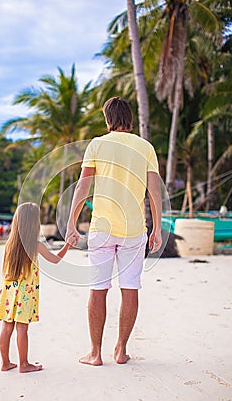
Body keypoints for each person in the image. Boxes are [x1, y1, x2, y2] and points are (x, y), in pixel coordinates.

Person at [66, 97, 162, 366]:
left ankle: (95, 353)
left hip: (102, 229)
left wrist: (72, 223)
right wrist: (157, 229)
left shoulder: (97, 144)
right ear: (129, 119)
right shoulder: (145, 147)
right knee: (130, 288)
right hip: (134, 230)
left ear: (108, 119)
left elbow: (82, 187)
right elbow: (154, 192)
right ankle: (120, 350)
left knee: (98, 289)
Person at [0, 202, 73, 373]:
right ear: (34, 224)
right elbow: (55, 259)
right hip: (26, 294)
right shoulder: (35, 245)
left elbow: (6, 272)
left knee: (6, 327)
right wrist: (67, 245)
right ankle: (23, 364)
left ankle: (5, 363)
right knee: (22, 328)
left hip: (9, 292)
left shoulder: (9, 245)